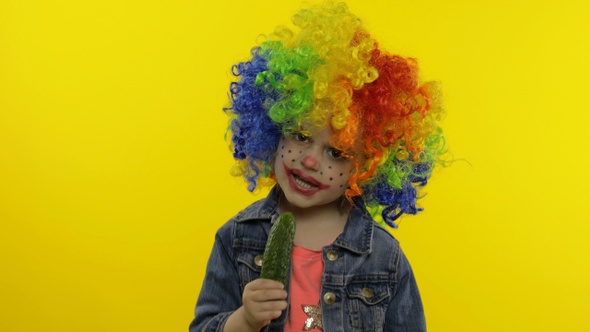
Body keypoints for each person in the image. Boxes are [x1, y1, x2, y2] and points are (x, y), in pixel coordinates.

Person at [189, 1, 445, 331]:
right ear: (273, 127)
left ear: (367, 166)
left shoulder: (383, 255)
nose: (310, 161)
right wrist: (244, 320)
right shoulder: (236, 238)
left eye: (336, 153)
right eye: (300, 135)